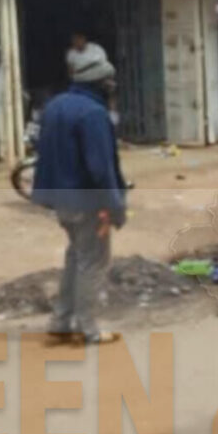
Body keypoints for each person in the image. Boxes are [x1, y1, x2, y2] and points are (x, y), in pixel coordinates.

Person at [33, 48, 129, 344]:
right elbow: (100, 168)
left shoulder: (55, 105)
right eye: (109, 83)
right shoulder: (93, 114)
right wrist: (113, 207)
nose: (112, 88)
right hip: (87, 201)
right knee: (92, 262)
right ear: (101, 83)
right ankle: (88, 328)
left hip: (60, 200)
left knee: (76, 258)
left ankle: (61, 321)